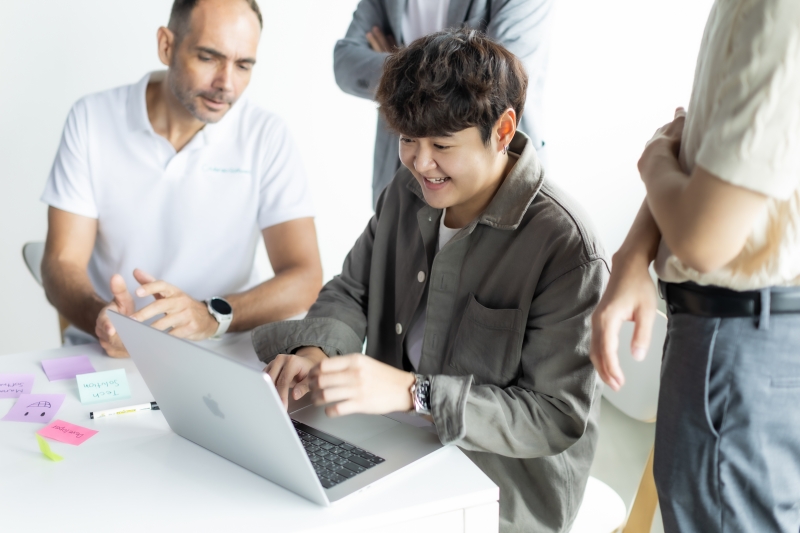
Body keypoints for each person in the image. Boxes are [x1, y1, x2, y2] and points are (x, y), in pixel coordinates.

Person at [255, 30, 608, 532]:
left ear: (503, 130)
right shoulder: (406, 190)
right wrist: (316, 351)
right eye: (407, 140)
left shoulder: (565, 245)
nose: (421, 164)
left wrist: (413, 393)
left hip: (498, 495)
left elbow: (554, 416)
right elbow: (353, 290)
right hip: (393, 450)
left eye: (442, 145)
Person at [590, 2, 800, 531]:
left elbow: (704, 236)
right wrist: (634, 251)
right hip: (744, 335)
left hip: (743, 341)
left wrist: (653, 156)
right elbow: (707, 162)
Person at [40, 0, 322, 357]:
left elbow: (305, 277)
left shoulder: (265, 136)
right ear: (166, 46)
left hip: (222, 349)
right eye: (208, 58)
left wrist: (211, 316)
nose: (226, 84)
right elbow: (60, 262)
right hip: (108, 350)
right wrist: (102, 317)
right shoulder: (92, 119)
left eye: (243, 65)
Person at [333, 0, 554, 207]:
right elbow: (344, 63)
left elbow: (501, 81)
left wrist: (398, 66)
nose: (422, 163)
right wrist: (418, 68)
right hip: (396, 178)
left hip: (491, 180)